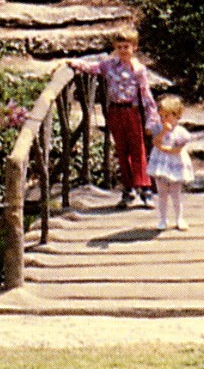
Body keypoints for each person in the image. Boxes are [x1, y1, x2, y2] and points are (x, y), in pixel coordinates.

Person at [70, 29, 158, 208]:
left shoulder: (139, 70)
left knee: (138, 149)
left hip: (132, 111)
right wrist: (73, 63)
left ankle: (145, 188)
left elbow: (146, 94)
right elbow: (92, 68)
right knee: (121, 150)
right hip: (115, 111)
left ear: (134, 47)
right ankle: (128, 189)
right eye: (119, 47)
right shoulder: (109, 65)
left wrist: (152, 117)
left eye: (127, 47)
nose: (123, 50)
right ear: (114, 48)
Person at [146, 96, 196, 231]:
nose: (163, 119)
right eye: (161, 116)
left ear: (176, 115)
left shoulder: (181, 133)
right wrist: (164, 131)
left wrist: (163, 149)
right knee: (161, 192)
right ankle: (163, 219)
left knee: (175, 193)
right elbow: (155, 142)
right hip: (160, 164)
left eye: (167, 116)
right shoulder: (158, 128)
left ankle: (179, 218)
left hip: (174, 164)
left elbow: (177, 150)